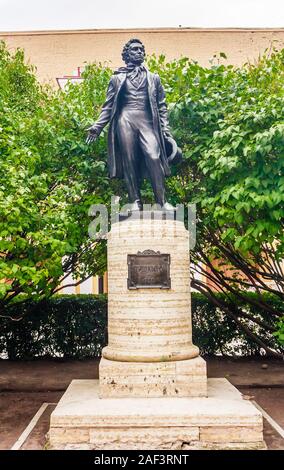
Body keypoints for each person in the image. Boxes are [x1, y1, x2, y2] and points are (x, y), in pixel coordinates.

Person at [86, 38, 181, 211]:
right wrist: (97, 126)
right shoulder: (117, 79)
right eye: (135, 50)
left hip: (147, 121)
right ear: (127, 54)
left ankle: (162, 201)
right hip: (126, 120)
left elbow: (161, 107)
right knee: (129, 159)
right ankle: (135, 201)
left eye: (141, 50)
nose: (139, 52)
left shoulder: (154, 78)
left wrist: (165, 130)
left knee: (153, 156)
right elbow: (108, 106)